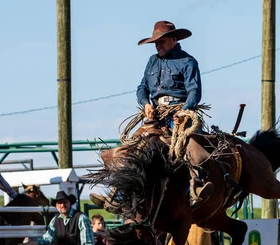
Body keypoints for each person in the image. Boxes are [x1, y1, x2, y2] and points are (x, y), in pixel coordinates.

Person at [90, 20, 211, 210]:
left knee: (188, 148)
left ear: (174, 40)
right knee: (132, 148)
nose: (157, 45)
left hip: (180, 113)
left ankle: (196, 187)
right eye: (155, 42)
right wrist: (146, 104)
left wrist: (184, 111)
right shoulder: (152, 61)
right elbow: (142, 88)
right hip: (156, 115)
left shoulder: (188, 62)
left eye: (161, 41)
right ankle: (117, 195)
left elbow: (194, 92)